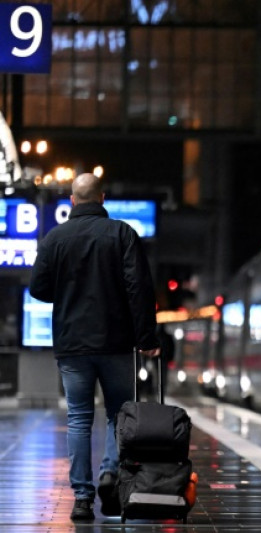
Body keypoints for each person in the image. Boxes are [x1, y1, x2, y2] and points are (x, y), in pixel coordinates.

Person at [28, 173, 161, 521]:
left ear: (72, 201)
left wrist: (68, 293)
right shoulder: (122, 234)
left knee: (78, 418)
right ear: (102, 199)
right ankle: (110, 474)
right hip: (116, 342)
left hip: (72, 345)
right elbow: (139, 289)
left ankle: (83, 499)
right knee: (119, 414)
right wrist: (147, 338)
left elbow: (38, 288)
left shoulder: (54, 238)